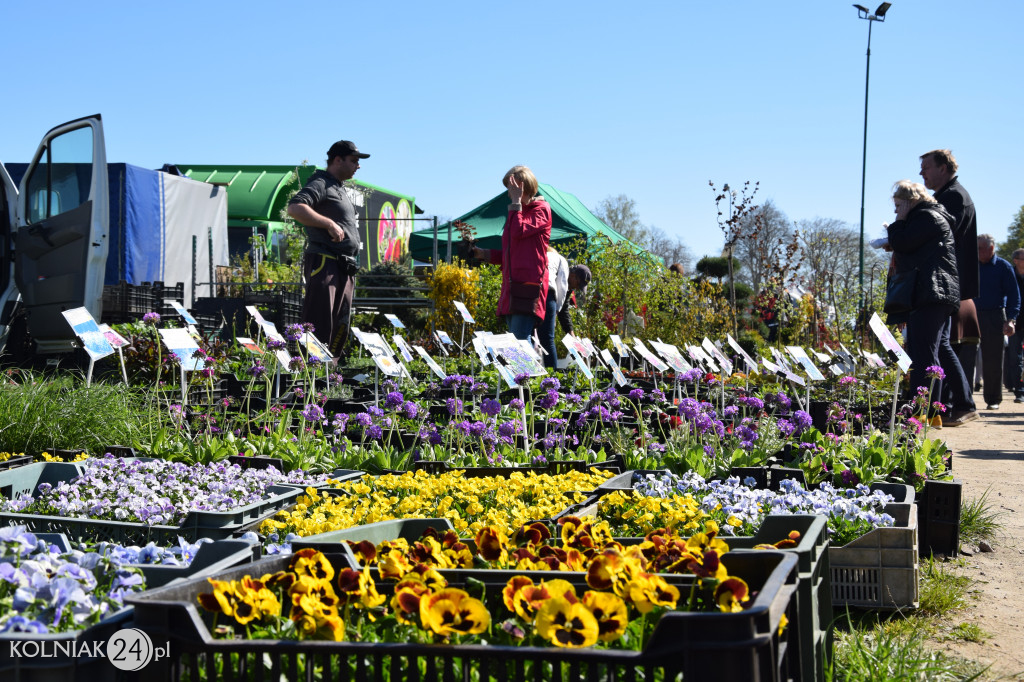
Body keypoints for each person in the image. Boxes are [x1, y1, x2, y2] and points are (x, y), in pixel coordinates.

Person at [287, 140, 369, 358]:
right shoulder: (321, 182)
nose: (358, 166)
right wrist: (329, 224)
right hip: (325, 261)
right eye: (353, 160)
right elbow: (295, 208)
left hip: (342, 265)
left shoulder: (338, 187)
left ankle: (329, 376)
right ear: (337, 160)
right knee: (319, 323)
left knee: (339, 325)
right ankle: (309, 377)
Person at [885, 181, 961, 406]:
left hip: (931, 292)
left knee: (924, 354)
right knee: (926, 352)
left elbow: (903, 241)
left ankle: (923, 411)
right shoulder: (929, 217)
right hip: (932, 292)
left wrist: (898, 224)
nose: (896, 211)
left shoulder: (926, 217)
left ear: (910, 202)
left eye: (899, 205)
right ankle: (927, 409)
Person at [919, 149, 979, 425]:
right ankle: (964, 403)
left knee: (939, 343)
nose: (922, 173)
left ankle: (963, 404)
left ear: (943, 167)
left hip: (944, 282)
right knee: (941, 344)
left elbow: (941, 237)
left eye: (926, 167)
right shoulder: (951, 195)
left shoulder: (952, 197)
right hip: (947, 282)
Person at [471, 166, 552, 341]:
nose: (509, 194)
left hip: (526, 288)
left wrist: (516, 202)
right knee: (518, 343)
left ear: (522, 187)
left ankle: (532, 370)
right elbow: (511, 254)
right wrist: (483, 254)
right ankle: (531, 370)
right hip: (512, 289)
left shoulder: (541, 209)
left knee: (519, 343)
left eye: (511, 188)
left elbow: (518, 231)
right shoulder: (518, 213)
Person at [974, 233, 1020, 409]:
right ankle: (963, 400)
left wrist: (1011, 320)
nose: (976, 252)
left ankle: (993, 399)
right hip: (972, 314)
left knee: (993, 360)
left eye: (979, 249)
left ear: (991, 249)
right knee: (966, 357)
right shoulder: (971, 265)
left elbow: (1014, 296)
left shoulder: (1003, 267)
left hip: (994, 315)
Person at [1004, 248, 1024, 402]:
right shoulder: (1010, 275)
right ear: (1016, 260)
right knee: (1015, 357)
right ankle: (1019, 390)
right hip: (1015, 321)